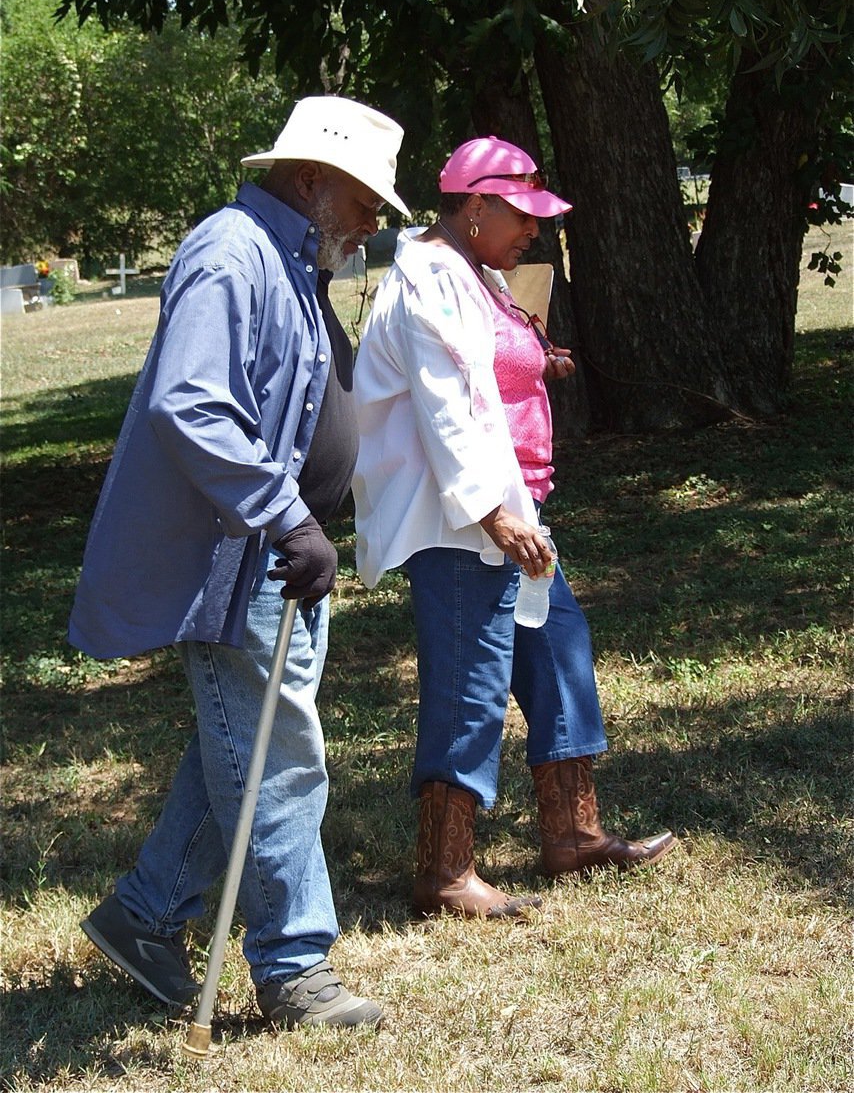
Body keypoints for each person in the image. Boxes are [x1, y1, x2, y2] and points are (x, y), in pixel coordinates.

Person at [69, 95, 410, 1027]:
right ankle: (296, 970)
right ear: (313, 183)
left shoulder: (291, 262)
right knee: (280, 760)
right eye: (368, 199)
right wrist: (287, 515)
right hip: (249, 551)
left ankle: (144, 916)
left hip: (276, 552)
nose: (376, 221)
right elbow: (191, 402)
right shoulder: (232, 253)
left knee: (240, 749)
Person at [352, 136, 676, 919]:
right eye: (521, 216)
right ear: (473, 209)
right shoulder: (426, 281)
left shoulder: (475, 273)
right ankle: (444, 873)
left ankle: (573, 835)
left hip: (511, 510)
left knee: (558, 646)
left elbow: (488, 374)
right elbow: (442, 406)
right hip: (462, 520)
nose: (533, 231)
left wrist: (539, 363)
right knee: (469, 685)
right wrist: (491, 513)